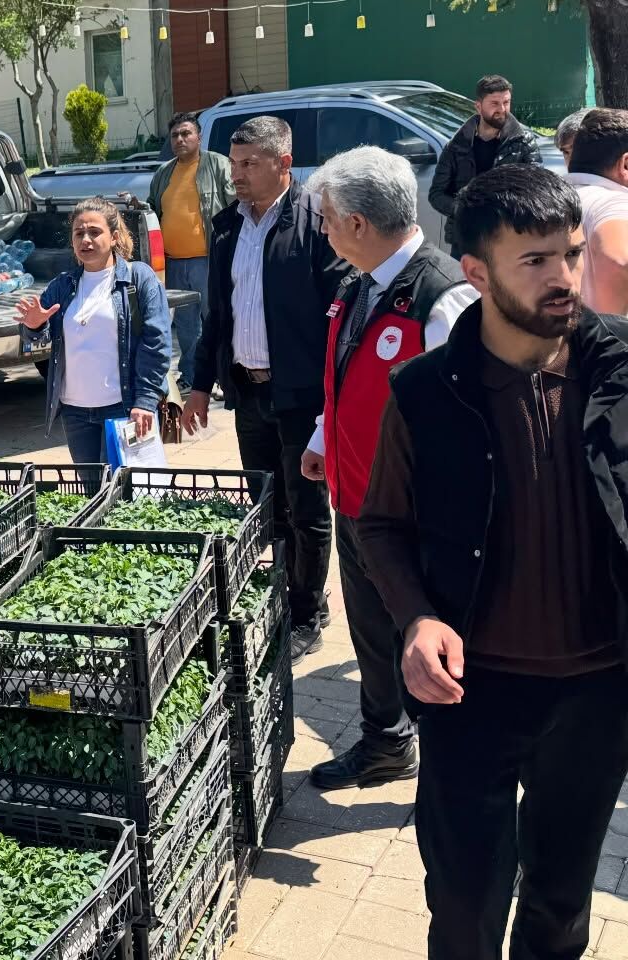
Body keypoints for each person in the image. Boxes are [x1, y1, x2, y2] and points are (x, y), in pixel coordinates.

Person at [357, 163, 628, 960]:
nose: (564, 279)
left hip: (599, 692)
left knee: (560, 904)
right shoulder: (426, 392)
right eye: (536, 261)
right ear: (475, 272)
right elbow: (380, 523)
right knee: (468, 906)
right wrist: (417, 617)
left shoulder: (619, 367)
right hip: (472, 693)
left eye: (572, 254)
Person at [298, 146, 479, 792]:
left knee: (428, 642)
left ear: (356, 224)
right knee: (373, 636)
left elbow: (474, 424)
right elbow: (346, 378)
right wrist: (324, 436)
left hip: (418, 522)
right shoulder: (357, 285)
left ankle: (461, 771)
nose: (322, 231)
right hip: (356, 504)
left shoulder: (443, 299)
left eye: (325, 219)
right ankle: (385, 744)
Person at [182, 116, 348, 658]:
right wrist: (200, 384)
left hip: (300, 396)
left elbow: (338, 314)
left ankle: (308, 612)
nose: (238, 175)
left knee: (307, 509)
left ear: (284, 161)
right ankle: (279, 596)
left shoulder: (313, 222)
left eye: (249, 163)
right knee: (265, 504)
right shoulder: (228, 224)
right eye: (234, 164)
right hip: (247, 394)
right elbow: (217, 314)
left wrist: (333, 394)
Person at [15, 196, 172, 463]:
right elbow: (38, 340)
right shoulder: (62, 286)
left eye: (94, 232)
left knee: (129, 497)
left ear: (113, 237)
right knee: (90, 496)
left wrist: (145, 401)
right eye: (79, 233)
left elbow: (156, 344)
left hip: (123, 408)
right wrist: (33, 326)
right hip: (75, 412)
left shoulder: (138, 278)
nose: (85, 239)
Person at [147, 112, 235, 392]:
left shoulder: (218, 165)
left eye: (186, 133)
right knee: (185, 326)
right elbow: (152, 209)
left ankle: (221, 376)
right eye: (175, 135)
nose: (180, 139)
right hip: (174, 264)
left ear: (198, 137)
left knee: (215, 318)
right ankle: (192, 377)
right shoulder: (163, 173)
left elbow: (235, 208)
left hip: (208, 261)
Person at [429, 75, 542, 258]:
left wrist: (504, 211)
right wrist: (466, 209)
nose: (502, 109)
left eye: (506, 102)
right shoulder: (457, 145)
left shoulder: (523, 142)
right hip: (466, 239)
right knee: (463, 287)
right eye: (494, 103)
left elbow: (537, 190)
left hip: (508, 239)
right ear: (478, 106)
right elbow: (436, 194)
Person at [567, 107, 628, 316]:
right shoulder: (616, 202)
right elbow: (618, 262)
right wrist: (615, 328)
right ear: (626, 164)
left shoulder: (552, 198)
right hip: (610, 342)